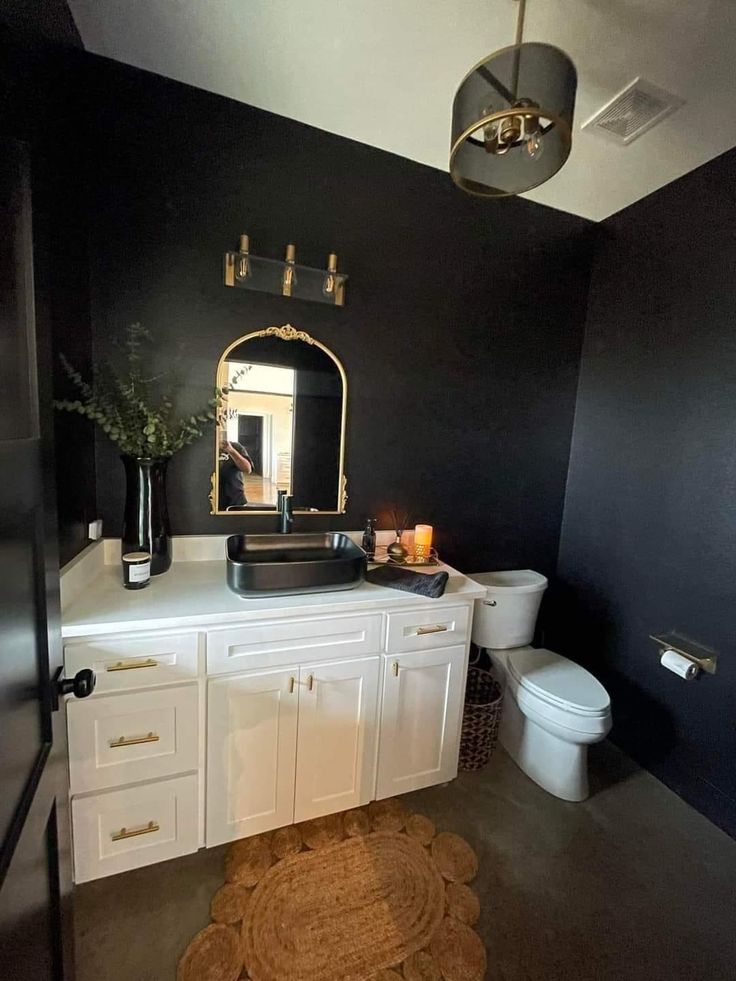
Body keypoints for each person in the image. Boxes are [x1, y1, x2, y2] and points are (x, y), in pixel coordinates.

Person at [218, 438, 253, 510]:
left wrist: (231, 451)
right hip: (211, 500)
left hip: (235, 500)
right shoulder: (204, 448)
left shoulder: (235, 446)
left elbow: (247, 469)